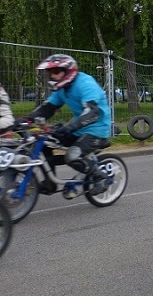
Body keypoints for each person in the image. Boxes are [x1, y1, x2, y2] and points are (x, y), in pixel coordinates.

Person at [17, 54, 111, 195]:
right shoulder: (62, 88)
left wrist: (70, 127)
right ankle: (50, 184)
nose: (52, 76)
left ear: (68, 71)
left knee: (72, 156)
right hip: (77, 128)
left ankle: (101, 177)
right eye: (50, 72)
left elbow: (93, 113)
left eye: (56, 72)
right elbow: (48, 108)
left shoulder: (86, 83)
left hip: (97, 129)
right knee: (43, 145)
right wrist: (25, 120)